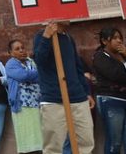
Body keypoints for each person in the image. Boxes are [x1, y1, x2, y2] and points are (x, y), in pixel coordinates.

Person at [33, 21, 95, 154]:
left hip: (78, 98)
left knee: (86, 142)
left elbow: (78, 67)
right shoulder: (40, 36)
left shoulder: (68, 37)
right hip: (53, 98)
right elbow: (40, 61)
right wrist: (46, 36)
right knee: (53, 147)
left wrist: (86, 92)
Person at [92, 27, 126, 154]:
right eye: (115, 38)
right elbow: (115, 75)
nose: (119, 41)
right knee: (114, 143)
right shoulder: (100, 56)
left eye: (120, 38)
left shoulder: (125, 55)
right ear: (105, 41)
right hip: (112, 101)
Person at [5, 39, 43, 154]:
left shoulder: (31, 61)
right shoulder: (11, 64)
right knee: (26, 139)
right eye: (17, 49)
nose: (21, 50)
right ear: (10, 53)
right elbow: (23, 76)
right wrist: (37, 74)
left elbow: (37, 76)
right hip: (21, 106)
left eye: (23, 47)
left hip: (36, 104)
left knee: (38, 137)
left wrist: (33, 75)